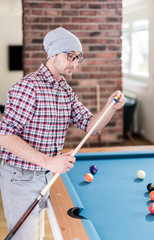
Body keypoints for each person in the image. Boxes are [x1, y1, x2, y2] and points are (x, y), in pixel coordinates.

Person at [0, 27, 125, 240]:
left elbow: (91, 126)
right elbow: (4, 136)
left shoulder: (64, 91)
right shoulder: (29, 87)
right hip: (20, 178)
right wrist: (48, 162)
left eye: (78, 58)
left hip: (45, 176)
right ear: (53, 54)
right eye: (70, 56)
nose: (74, 63)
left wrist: (109, 108)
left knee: (36, 236)